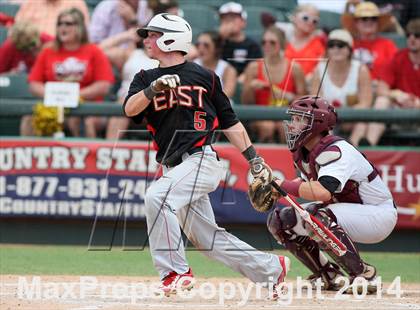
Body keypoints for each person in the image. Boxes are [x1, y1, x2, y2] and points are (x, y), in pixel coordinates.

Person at [123, 13, 290, 297]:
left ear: (170, 38)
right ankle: (271, 269)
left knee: (157, 197)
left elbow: (230, 122)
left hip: (201, 159)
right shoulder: (145, 77)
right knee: (207, 240)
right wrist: (153, 89)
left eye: (152, 34)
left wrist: (253, 158)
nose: (146, 39)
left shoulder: (205, 77)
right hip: (172, 167)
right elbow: (129, 109)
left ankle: (175, 272)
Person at [264, 96, 397, 292]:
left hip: (378, 214)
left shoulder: (337, 150)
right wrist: (277, 189)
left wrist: (281, 184)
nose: (292, 124)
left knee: (317, 217)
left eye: (299, 119)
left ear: (317, 124)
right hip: (350, 211)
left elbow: (323, 192)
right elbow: (307, 184)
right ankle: (329, 275)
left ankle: (364, 275)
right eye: (293, 118)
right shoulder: (305, 151)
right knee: (281, 220)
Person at [24, 8, 114, 137]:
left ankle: (88, 155)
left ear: (80, 27)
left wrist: (73, 96)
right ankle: (29, 155)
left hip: (86, 107)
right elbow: (34, 84)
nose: (62, 27)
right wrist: (55, 96)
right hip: (53, 104)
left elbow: (104, 85)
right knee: (29, 119)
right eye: (60, 24)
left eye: (68, 24)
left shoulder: (94, 51)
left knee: (80, 119)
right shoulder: (48, 51)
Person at [359, 18, 420, 146]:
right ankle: (369, 145)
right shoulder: (399, 57)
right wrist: (398, 95)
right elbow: (382, 89)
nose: (412, 39)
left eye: (417, 35)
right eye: (409, 35)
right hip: (400, 111)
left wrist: (417, 103)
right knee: (382, 101)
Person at [242, 26, 305, 143]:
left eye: (272, 42)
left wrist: (287, 95)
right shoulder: (254, 68)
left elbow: (304, 102)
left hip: (287, 114)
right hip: (261, 114)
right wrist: (251, 88)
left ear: (282, 44)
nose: (267, 45)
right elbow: (246, 102)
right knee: (268, 126)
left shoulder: (295, 68)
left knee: (284, 127)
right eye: (264, 42)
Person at [310, 29, 373, 146]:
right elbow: (316, 103)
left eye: (341, 45)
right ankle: (331, 149)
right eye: (331, 45)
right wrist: (335, 116)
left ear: (349, 49)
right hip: (328, 120)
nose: (336, 49)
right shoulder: (319, 70)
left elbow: (366, 103)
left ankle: (354, 150)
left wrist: (345, 115)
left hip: (354, 119)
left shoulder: (360, 69)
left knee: (363, 122)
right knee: (320, 121)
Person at [100, 28, 159, 140]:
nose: (149, 39)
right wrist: (127, 35)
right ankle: (109, 148)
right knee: (124, 103)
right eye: (147, 36)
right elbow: (99, 51)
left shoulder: (169, 56)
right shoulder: (132, 53)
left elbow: (193, 52)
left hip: (156, 103)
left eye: (154, 36)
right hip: (129, 102)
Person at [342, 1, 398, 82]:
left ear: (378, 22)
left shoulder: (388, 45)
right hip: (353, 89)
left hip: (380, 88)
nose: (369, 21)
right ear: (356, 23)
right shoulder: (348, 44)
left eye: (373, 18)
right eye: (364, 19)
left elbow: (397, 70)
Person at [89, 0, 153, 69]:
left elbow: (145, 41)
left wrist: (132, 20)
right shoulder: (106, 7)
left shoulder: (143, 5)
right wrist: (125, 36)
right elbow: (94, 46)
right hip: (107, 54)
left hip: (136, 55)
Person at [218, 2, 262, 78]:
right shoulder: (217, 43)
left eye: (233, 18)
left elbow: (257, 70)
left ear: (243, 22)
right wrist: (220, 39)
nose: (229, 22)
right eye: (225, 19)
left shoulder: (252, 46)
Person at [283, 4, 326, 80]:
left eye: (315, 21)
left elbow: (321, 71)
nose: (310, 22)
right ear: (294, 17)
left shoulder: (320, 42)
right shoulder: (283, 38)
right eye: (305, 18)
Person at [194, 31, 237, 99]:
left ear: (217, 48)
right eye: (198, 45)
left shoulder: (228, 69)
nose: (201, 49)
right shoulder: (190, 66)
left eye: (206, 45)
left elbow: (227, 95)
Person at [14, 0, 89, 37]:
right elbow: (15, 32)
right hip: (31, 50)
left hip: (64, 52)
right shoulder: (31, 2)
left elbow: (82, 34)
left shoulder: (76, 3)